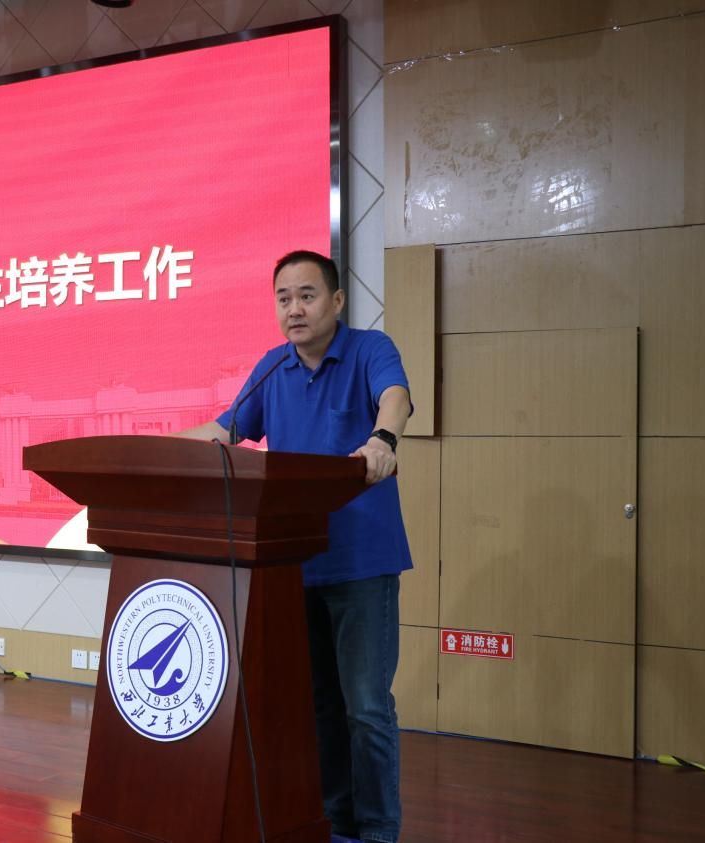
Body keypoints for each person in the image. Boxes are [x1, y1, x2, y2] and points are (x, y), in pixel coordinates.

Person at [178, 249, 412, 843]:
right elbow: (225, 431)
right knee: (320, 706)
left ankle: (378, 831)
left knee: (366, 707)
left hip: (361, 563)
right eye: (284, 299)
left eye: (307, 296)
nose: (294, 309)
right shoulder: (272, 368)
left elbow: (396, 397)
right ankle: (335, 824)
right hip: (295, 562)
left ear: (336, 301)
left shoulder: (369, 349)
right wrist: (158, 451)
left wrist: (383, 438)